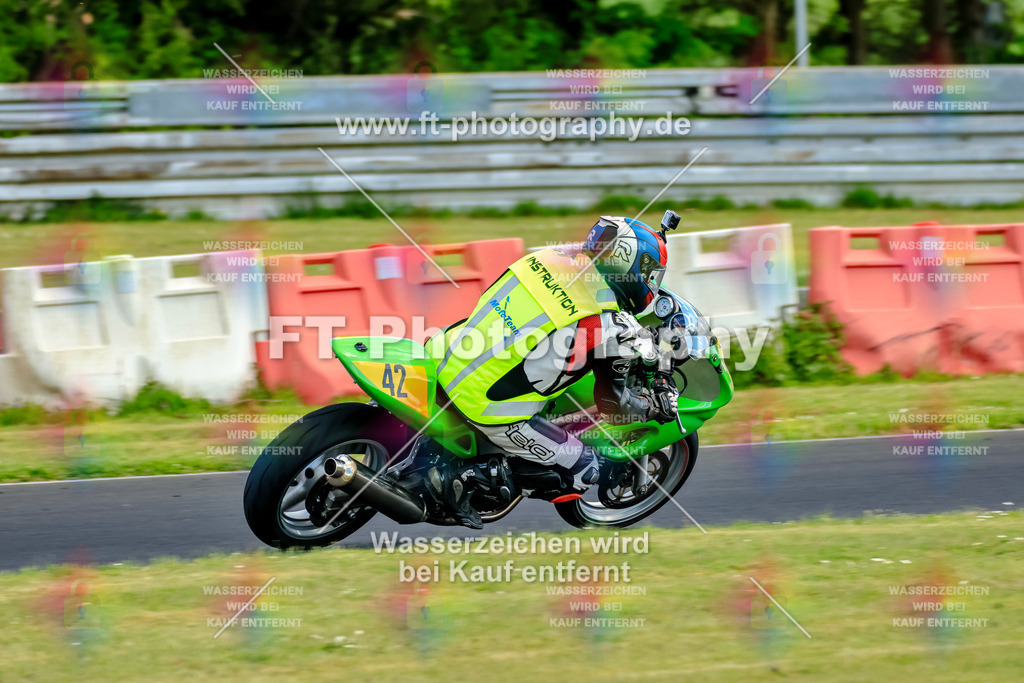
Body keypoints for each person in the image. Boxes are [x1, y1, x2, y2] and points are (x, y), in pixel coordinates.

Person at [429, 214, 681, 526]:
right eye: (650, 275)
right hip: (484, 403)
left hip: (443, 354)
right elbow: (614, 406)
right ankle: (465, 478)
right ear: (629, 264)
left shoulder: (546, 258)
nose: (652, 284)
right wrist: (653, 407)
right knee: (585, 468)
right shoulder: (609, 324)